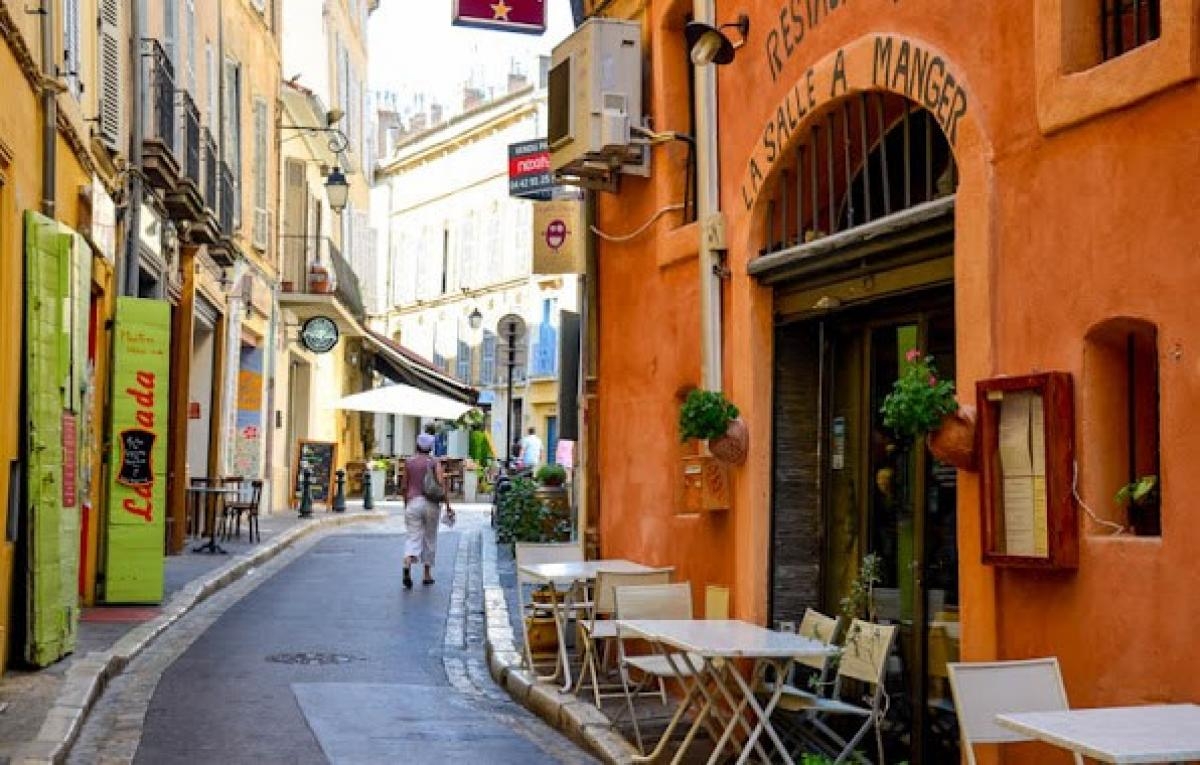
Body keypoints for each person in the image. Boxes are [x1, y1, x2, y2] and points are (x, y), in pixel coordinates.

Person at [399, 432, 454, 589]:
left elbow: (404, 486)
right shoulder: (434, 462)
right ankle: (427, 574)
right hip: (431, 504)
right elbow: (442, 485)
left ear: (417, 445)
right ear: (430, 447)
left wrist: (406, 504)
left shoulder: (409, 463)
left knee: (413, 537)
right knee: (430, 538)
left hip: (413, 503)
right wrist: (448, 506)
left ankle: (408, 562)